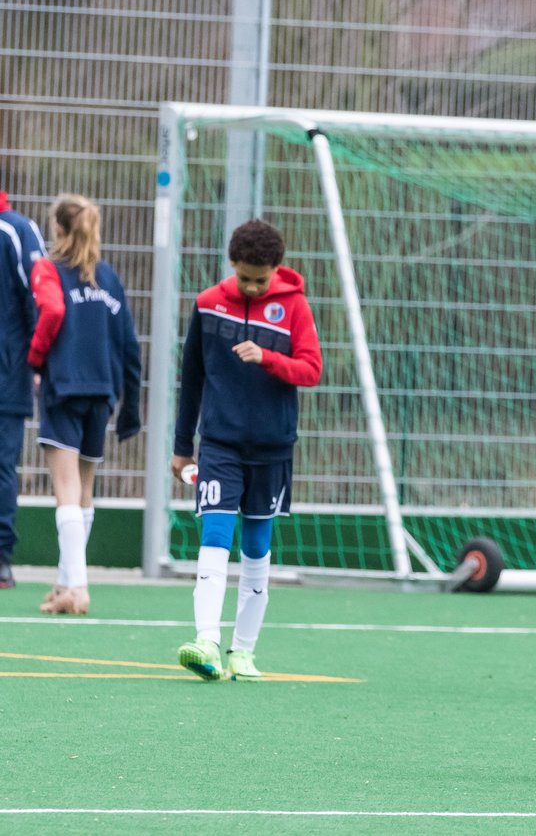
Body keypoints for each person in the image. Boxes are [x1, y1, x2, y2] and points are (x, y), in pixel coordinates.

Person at [172, 219, 322, 681]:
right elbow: (192, 378)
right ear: (232, 264)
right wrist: (182, 447)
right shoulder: (208, 304)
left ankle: (243, 651)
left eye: (262, 279)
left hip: (273, 449)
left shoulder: (294, 306)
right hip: (219, 445)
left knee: (257, 548)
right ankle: (207, 643)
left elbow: (311, 369)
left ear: (276, 269)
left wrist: (269, 358)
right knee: (214, 538)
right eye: (245, 278)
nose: (254, 287)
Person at [27, 194, 142, 614]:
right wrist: (131, 406)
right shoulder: (108, 277)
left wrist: (35, 359)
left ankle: (78, 587)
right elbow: (130, 346)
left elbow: (53, 312)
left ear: (58, 229)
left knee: (65, 489)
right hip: (103, 392)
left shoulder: (49, 269)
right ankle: (64, 583)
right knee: (84, 490)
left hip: (64, 388)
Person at [0, 190, 48, 589]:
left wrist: (36, 360)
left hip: (8, 373)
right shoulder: (18, 229)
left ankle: (0, 557)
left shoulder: (14, 229)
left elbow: (40, 299)